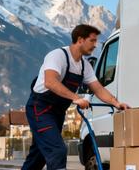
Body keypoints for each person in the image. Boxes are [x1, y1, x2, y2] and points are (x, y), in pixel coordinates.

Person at [23, 24, 130, 170]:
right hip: (40, 109)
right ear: (80, 39)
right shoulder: (58, 56)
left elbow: (98, 88)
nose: (95, 45)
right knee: (57, 150)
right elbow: (50, 81)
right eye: (92, 41)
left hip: (57, 113)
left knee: (38, 155)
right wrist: (76, 98)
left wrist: (116, 103)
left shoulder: (85, 66)